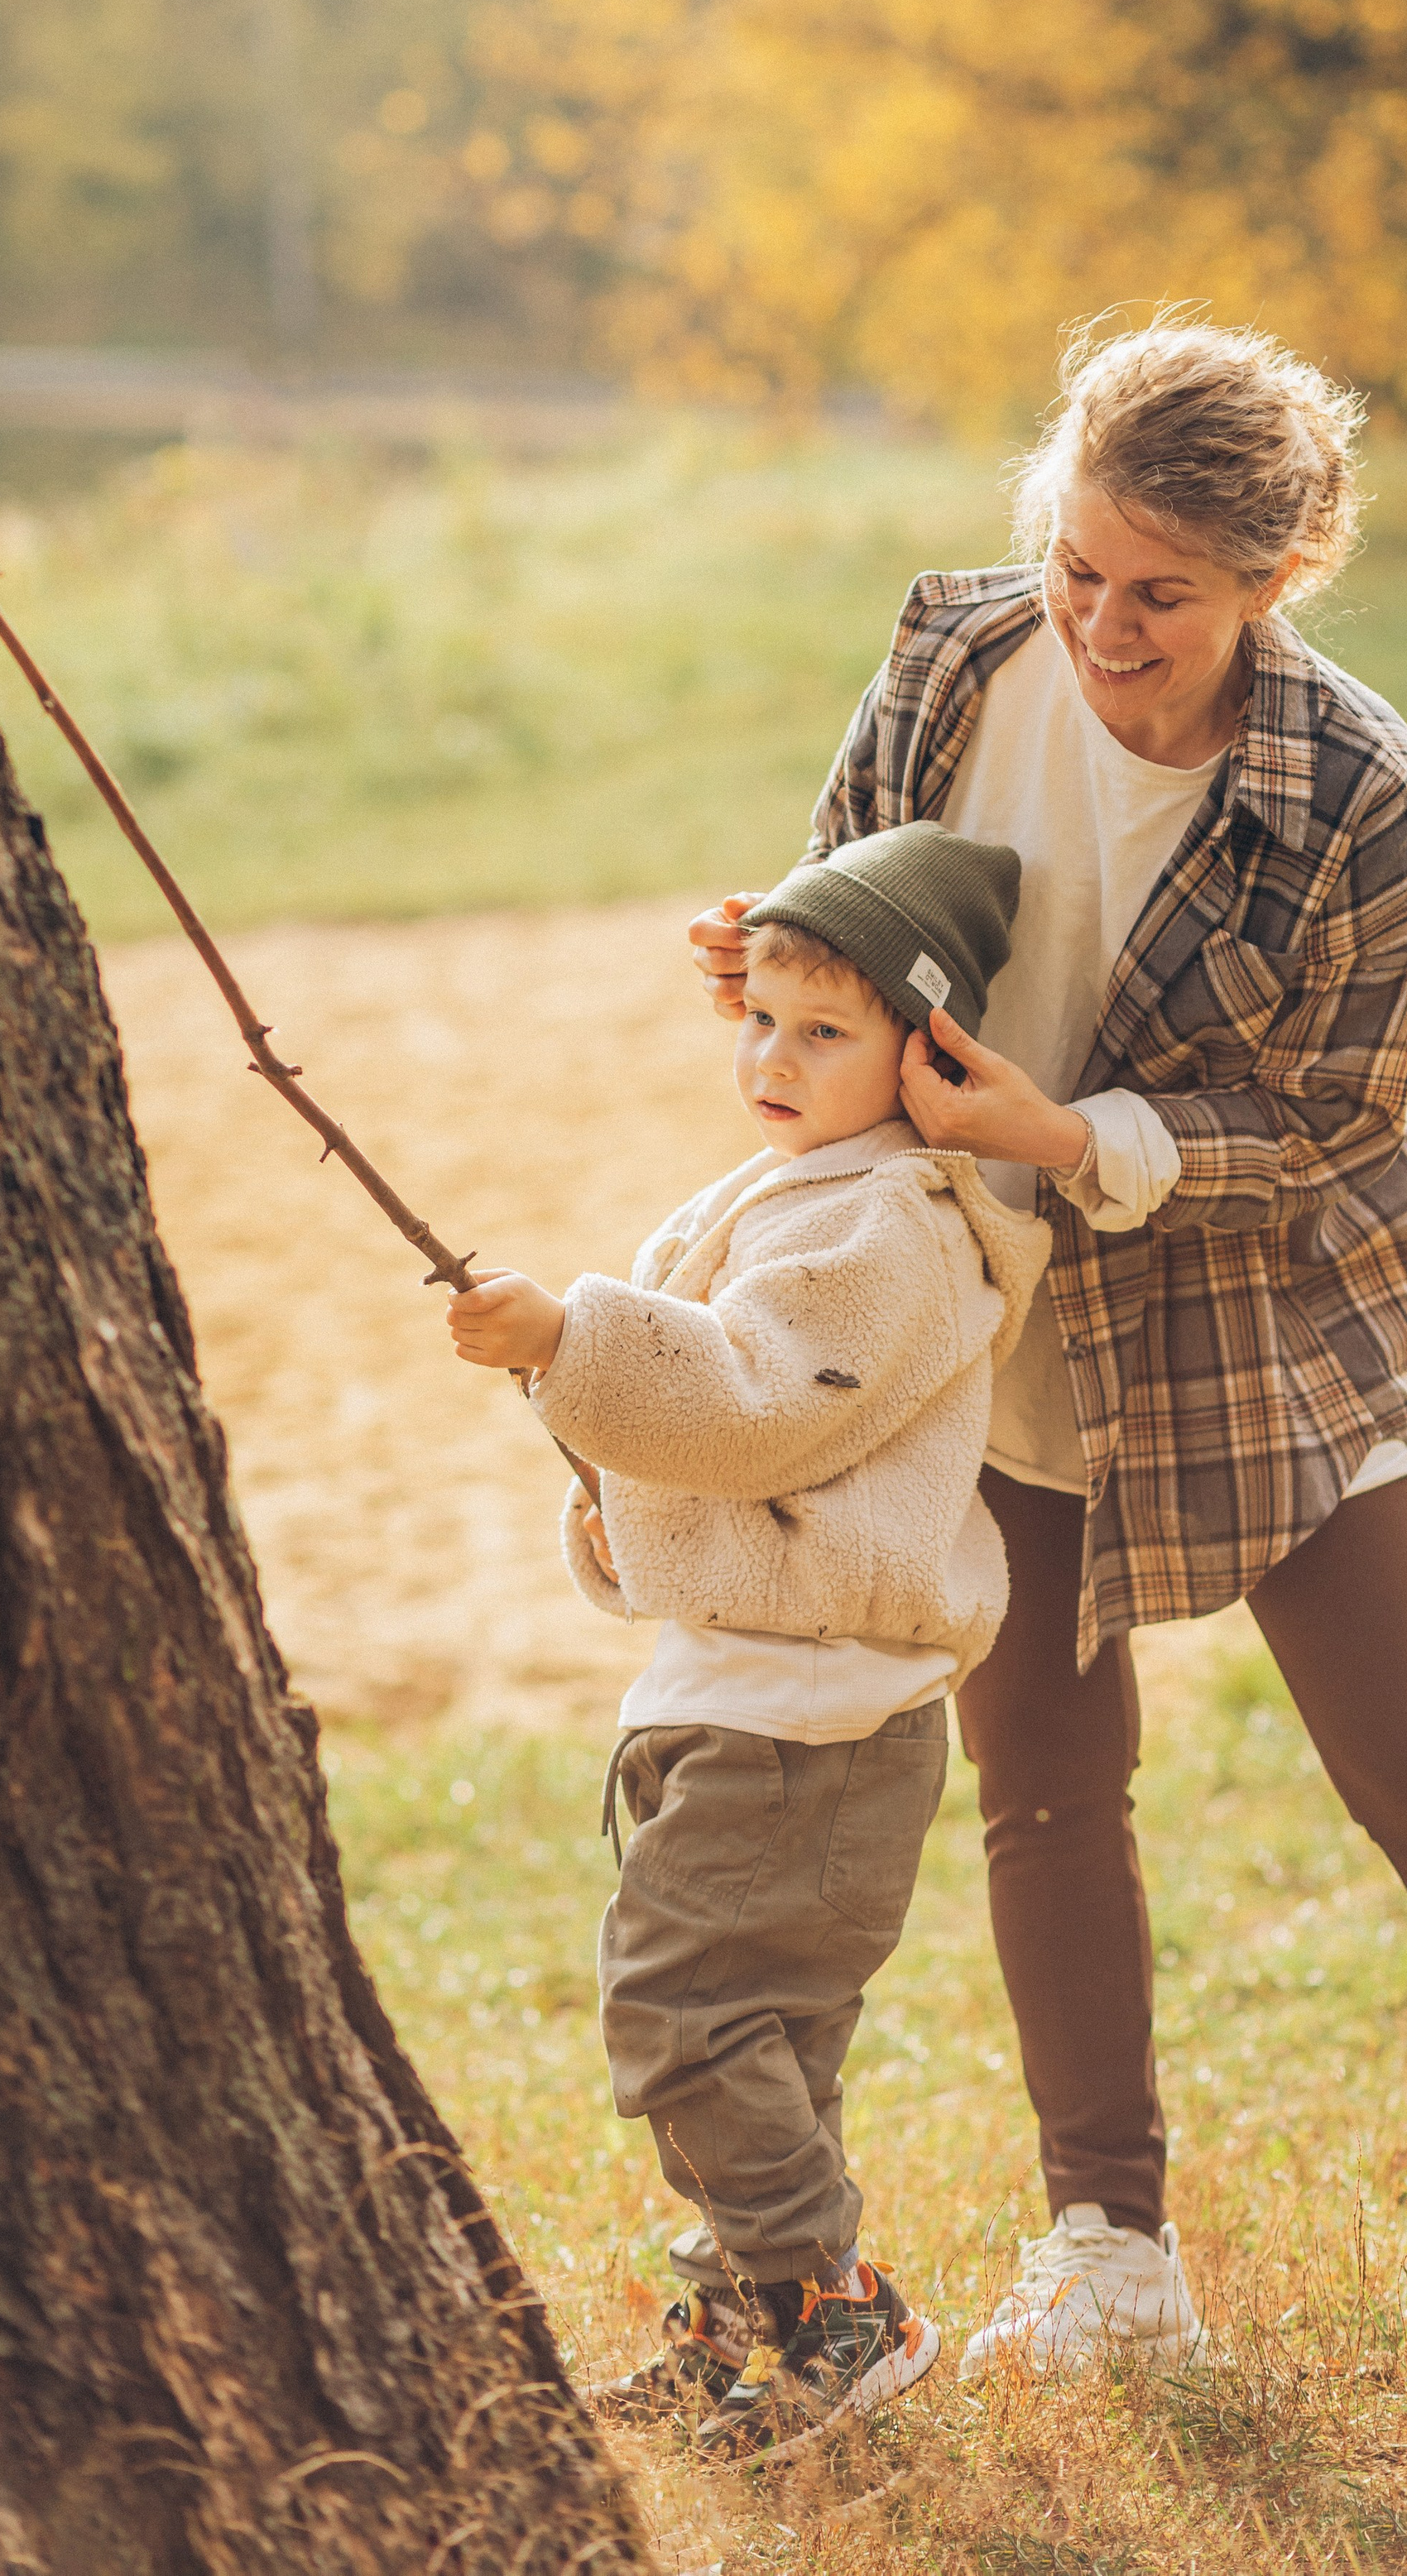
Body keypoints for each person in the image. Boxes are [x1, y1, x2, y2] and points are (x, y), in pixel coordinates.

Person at [689, 314, 1407, 2401]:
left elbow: (1323, 1127)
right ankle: (1110, 2250)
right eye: (1077, 568)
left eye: (1162, 596)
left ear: (1275, 580)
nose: (1101, 628)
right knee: (1044, 1785)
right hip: (991, 1313)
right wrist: (783, 970)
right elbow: (850, 928)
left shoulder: (1359, 794)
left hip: (1270, 1323)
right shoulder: (949, 657)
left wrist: (1066, 1136)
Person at [447, 823, 1050, 2459]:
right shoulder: (799, 1188)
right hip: (756, 1691)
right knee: (762, 2034)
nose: (773, 1059)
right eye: (760, 1020)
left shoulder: (893, 1225)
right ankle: (751, 2316)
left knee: (681, 2005)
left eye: (823, 1030)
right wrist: (609, 1493)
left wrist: (569, 1335)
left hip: (814, 1722)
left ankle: (833, 2306)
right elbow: (728, 1455)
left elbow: (755, 1405)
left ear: (926, 1055)